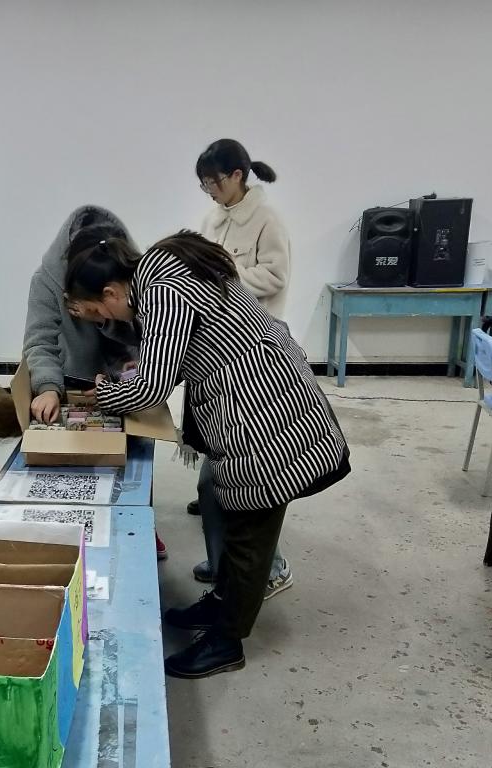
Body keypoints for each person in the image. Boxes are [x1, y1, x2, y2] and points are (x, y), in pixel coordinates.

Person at [65, 230, 349, 678]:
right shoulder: (165, 270)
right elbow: (188, 349)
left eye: (101, 310)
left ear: (112, 292)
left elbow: (152, 388)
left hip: (265, 412)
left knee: (249, 534)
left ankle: (227, 642)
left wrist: (102, 396)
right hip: (261, 394)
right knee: (230, 514)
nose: (107, 319)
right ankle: (220, 604)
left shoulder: (161, 290)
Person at [22, 205, 168, 560]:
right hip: (71, 384)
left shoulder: (133, 277)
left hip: (126, 385)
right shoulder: (47, 281)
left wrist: (106, 325)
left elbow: (147, 334)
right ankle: (74, 533)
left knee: (132, 468)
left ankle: (138, 525)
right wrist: (48, 388)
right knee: (76, 470)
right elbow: (40, 341)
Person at [188, 138, 293, 598]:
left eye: (214, 182)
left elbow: (276, 276)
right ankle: (225, 564)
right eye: (203, 185)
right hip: (219, 350)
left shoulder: (267, 218)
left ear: (237, 175)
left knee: (248, 476)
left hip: (255, 353)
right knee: (219, 476)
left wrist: (224, 278)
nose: (210, 191)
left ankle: (271, 568)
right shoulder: (213, 218)